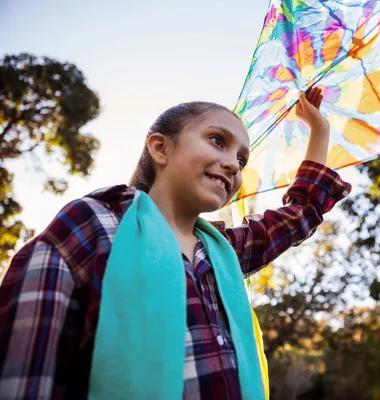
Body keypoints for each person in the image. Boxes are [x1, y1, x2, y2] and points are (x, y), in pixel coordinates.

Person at [0, 87, 351, 399]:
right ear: (160, 148)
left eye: (242, 159)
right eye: (218, 140)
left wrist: (319, 129)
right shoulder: (93, 223)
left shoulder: (224, 251)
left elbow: (300, 213)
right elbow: (26, 372)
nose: (232, 164)